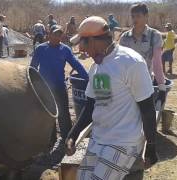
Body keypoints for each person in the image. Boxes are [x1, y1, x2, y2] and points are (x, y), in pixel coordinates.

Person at [66, 16, 158, 180]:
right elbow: (91, 106)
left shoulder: (130, 62)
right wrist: (73, 134)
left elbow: (148, 108)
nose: (81, 48)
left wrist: (151, 145)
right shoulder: (97, 66)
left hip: (122, 141)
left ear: (94, 41)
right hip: (99, 137)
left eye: (83, 42)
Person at [30, 25, 88, 164]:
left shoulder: (65, 49)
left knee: (63, 114)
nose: (57, 37)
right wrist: (32, 84)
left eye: (59, 34)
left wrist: (87, 77)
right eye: (55, 34)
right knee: (47, 114)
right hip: (44, 88)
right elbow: (32, 67)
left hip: (60, 87)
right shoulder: (41, 49)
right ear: (48, 35)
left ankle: (66, 139)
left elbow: (76, 64)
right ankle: (49, 142)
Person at [119, 3, 166, 106]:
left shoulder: (154, 36)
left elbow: (157, 63)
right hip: (126, 86)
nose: (135, 19)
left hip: (146, 84)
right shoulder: (125, 38)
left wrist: (162, 87)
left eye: (138, 16)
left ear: (146, 17)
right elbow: (119, 63)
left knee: (144, 116)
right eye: (133, 16)